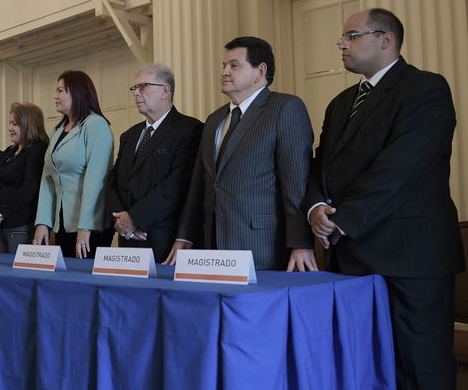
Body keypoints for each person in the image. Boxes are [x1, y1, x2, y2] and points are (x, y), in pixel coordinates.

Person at [305, 8, 465, 390]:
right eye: (343, 37)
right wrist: (315, 208)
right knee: (366, 370)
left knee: (421, 368)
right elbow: (320, 167)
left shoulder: (426, 89)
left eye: (351, 36)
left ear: (386, 39)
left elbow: (402, 168)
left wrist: (344, 219)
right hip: (352, 257)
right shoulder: (340, 103)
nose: (342, 44)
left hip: (410, 255)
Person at [165, 36, 316, 271]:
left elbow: (296, 181)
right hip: (212, 244)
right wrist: (186, 234)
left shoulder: (285, 107)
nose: (224, 71)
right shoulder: (214, 119)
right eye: (224, 66)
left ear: (260, 71)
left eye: (234, 65)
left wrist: (301, 242)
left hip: (261, 246)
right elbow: (200, 183)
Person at [105, 64, 203, 261]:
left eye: (143, 86)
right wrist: (121, 219)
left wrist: (135, 218)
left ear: (165, 91)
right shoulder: (129, 135)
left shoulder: (190, 129)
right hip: (128, 239)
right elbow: (112, 181)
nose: (136, 93)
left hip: (164, 241)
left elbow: (176, 184)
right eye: (135, 88)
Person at [33, 70, 114, 259]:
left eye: (60, 90)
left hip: (89, 226)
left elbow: (96, 179)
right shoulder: (57, 131)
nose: (55, 96)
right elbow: (47, 179)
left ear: (77, 92)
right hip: (63, 223)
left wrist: (86, 226)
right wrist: (43, 222)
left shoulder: (96, 125)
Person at [0, 102, 49, 252]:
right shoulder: (10, 150)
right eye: (10, 123)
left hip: (20, 224)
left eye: (14, 124)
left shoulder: (37, 150)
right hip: (4, 225)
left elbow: (28, 189)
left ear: (28, 124)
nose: (9, 128)